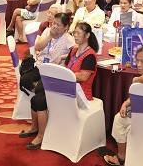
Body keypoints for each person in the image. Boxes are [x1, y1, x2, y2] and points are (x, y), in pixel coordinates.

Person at [23, 22, 98, 150]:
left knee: (40, 100)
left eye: (78, 33)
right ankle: (35, 128)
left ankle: (41, 136)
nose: (75, 35)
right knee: (37, 96)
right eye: (74, 33)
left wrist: (64, 75)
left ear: (87, 35)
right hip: (65, 87)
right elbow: (67, 66)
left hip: (79, 93)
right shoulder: (74, 50)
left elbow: (83, 77)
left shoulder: (90, 55)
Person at [18, 13, 75, 100]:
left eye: (58, 25)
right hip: (40, 65)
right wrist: (50, 36)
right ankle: (43, 95)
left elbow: (75, 54)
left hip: (53, 70)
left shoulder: (68, 39)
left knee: (41, 88)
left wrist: (62, 57)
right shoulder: (47, 31)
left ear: (66, 27)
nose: (54, 26)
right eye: (54, 23)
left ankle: (43, 96)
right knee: (24, 80)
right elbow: (38, 47)